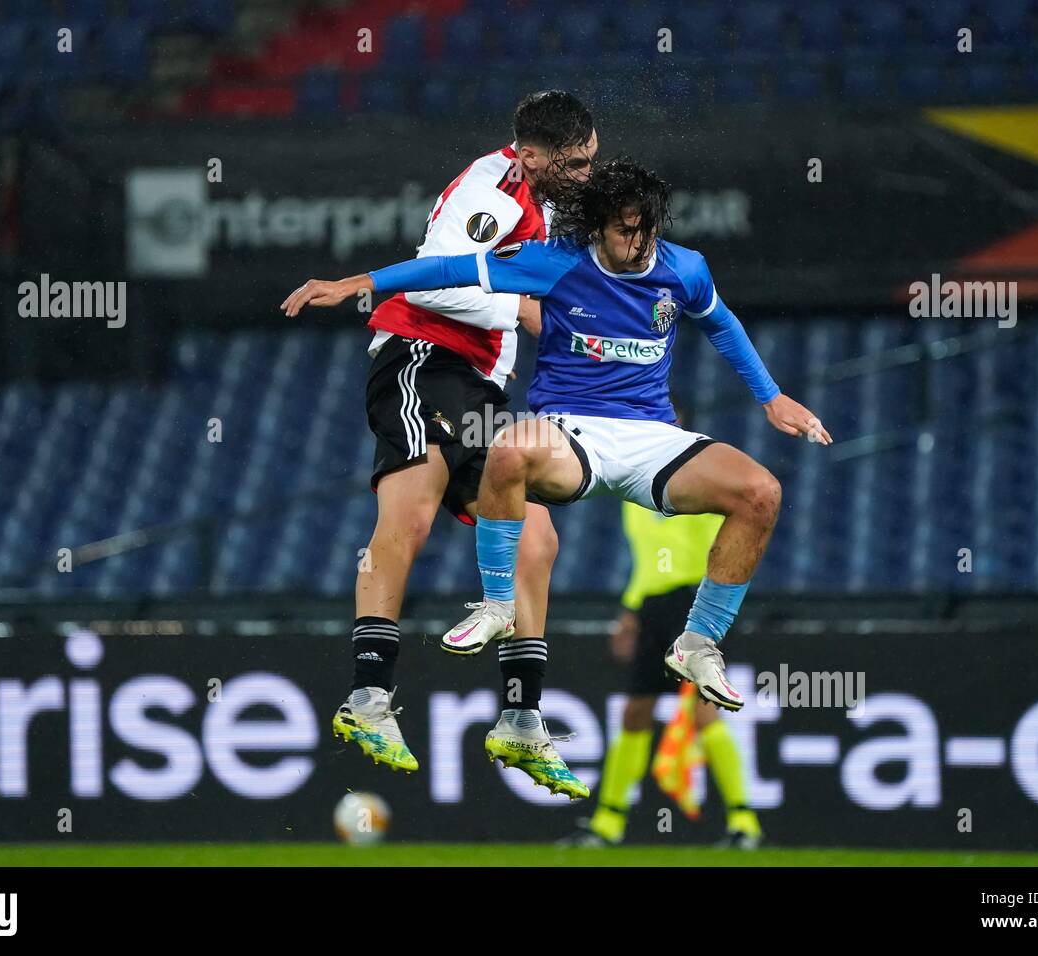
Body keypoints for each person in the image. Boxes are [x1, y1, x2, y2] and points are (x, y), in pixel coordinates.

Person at [282, 159, 831, 799]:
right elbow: (447, 269)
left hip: (653, 437)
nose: (638, 242)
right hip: (573, 432)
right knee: (506, 453)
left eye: (647, 230)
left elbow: (721, 322)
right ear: (598, 227)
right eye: (626, 230)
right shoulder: (554, 259)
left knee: (760, 492)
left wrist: (771, 397)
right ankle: (486, 611)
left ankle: (695, 645)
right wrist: (358, 281)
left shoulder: (684, 266)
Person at [320, 91, 599, 776]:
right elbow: (430, 287)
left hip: (477, 383)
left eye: (592, 159)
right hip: (422, 357)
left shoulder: (551, 200)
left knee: (536, 537)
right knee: (410, 517)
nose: (589, 172)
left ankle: (521, 716)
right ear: (533, 157)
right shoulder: (495, 192)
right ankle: (369, 695)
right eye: (578, 162)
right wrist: (527, 307)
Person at [565, 428, 763, 847]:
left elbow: (724, 543)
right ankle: (607, 824)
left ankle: (744, 823)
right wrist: (631, 611)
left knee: (702, 711)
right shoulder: (633, 486)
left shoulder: (700, 474)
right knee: (635, 711)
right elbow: (646, 560)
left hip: (692, 602)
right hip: (653, 608)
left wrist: (712, 611)